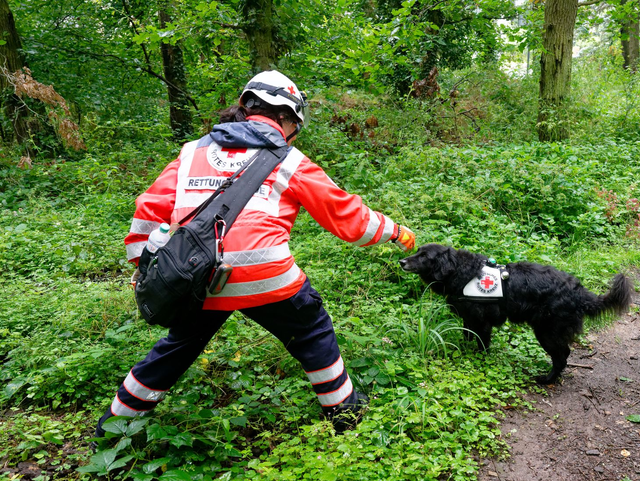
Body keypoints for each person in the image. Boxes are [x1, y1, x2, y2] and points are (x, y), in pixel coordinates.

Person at [94, 70, 415, 441]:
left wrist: (147, 269)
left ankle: (111, 430)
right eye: (295, 121)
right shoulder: (291, 161)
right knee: (312, 332)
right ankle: (345, 415)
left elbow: (148, 213)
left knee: (175, 349)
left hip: (197, 279)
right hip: (268, 279)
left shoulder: (191, 152)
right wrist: (394, 231)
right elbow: (349, 219)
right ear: (286, 117)